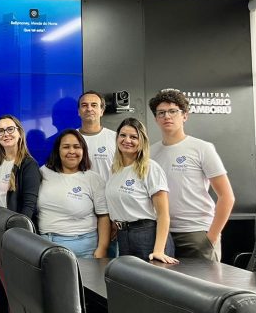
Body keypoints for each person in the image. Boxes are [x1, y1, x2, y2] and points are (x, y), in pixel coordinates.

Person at [149, 89, 234, 261]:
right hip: (162, 235)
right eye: (161, 113)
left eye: (173, 111)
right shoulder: (151, 152)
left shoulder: (202, 148)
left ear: (184, 116)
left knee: (204, 279)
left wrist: (211, 237)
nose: (167, 116)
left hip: (196, 233)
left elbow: (227, 196)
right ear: (156, 119)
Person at [106, 118, 177, 263]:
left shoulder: (150, 168)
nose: (127, 140)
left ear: (142, 141)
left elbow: (163, 215)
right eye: (123, 135)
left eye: (134, 137)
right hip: (123, 236)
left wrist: (158, 250)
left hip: (147, 236)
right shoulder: (115, 169)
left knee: (151, 278)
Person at [37, 129, 110, 258]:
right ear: (58, 150)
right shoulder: (43, 172)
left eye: (77, 147)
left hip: (84, 249)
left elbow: (103, 216)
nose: (72, 151)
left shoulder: (93, 178)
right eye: (66, 147)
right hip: (46, 246)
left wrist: (102, 249)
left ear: (83, 151)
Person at [77, 90, 118, 257]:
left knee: (110, 263)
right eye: (84, 105)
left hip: (110, 212)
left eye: (94, 105)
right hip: (79, 211)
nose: (89, 109)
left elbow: (122, 176)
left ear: (102, 110)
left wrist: (116, 216)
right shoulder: (70, 139)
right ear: (78, 111)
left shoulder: (115, 139)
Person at [0, 115, 40, 218]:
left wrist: (18, 227)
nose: (6, 134)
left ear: (19, 133)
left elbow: (29, 206)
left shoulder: (29, 165)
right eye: (1, 131)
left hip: (15, 225)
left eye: (10, 129)